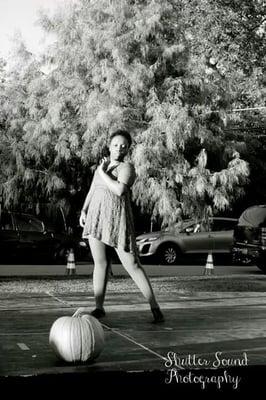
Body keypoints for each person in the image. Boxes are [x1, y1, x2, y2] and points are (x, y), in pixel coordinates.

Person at [73, 129, 164, 323]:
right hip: (96, 218)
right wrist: (84, 210)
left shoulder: (126, 168)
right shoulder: (102, 167)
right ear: (109, 146)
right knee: (100, 264)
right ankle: (99, 307)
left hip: (117, 220)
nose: (119, 148)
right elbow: (92, 190)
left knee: (132, 265)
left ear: (128, 149)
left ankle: (154, 307)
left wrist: (101, 172)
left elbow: (119, 190)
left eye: (123, 146)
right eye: (115, 145)